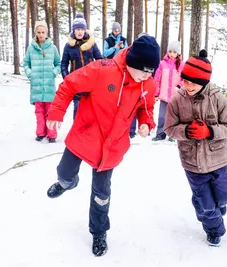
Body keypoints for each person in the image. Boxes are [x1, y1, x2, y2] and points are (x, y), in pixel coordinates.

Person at [45, 35, 160, 256]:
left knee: (101, 193)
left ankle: (99, 232)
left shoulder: (147, 83)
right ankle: (66, 183)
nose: (147, 75)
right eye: (144, 70)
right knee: (64, 173)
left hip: (112, 146)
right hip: (85, 135)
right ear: (131, 62)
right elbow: (69, 84)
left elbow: (146, 108)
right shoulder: (102, 69)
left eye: (150, 71)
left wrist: (146, 122)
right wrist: (57, 112)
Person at [164, 50, 227, 247]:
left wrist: (210, 132)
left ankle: (205, 202)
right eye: (185, 80)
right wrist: (186, 131)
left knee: (225, 197)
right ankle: (214, 229)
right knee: (207, 206)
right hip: (192, 163)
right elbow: (169, 128)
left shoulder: (218, 98)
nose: (187, 85)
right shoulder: (177, 100)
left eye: (193, 82)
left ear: (204, 82)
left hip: (217, 160)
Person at [23, 21, 61, 143]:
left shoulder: (52, 48)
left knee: (50, 112)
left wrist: (53, 73)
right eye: (38, 32)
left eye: (43, 32)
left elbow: (58, 64)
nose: (41, 34)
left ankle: (52, 135)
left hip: (49, 86)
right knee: (39, 112)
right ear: (35, 33)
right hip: (36, 86)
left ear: (46, 32)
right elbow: (25, 63)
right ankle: (40, 133)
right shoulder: (31, 48)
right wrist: (30, 74)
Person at [60, 13, 103, 120]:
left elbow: (100, 60)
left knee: (91, 109)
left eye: (82, 29)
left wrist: (99, 75)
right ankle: (77, 132)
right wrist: (66, 78)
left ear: (85, 30)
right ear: (73, 31)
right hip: (76, 83)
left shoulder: (92, 44)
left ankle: (90, 134)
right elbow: (64, 63)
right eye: (77, 29)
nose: (80, 32)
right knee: (78, 107)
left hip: (91, 82)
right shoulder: (68, 46)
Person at [152, 40, 184, 141]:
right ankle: (160, 133)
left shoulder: (181, 65)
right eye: (170, 51)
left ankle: (172, 135)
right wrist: (156, 93)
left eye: (174, 52)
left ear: (178, 53)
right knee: (162, 116)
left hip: (175, 96)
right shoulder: (162, 64)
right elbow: (157, 80)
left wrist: (179, 86)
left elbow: (184, 79)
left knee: (174, 117)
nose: (171, 54)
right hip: (164, 95)